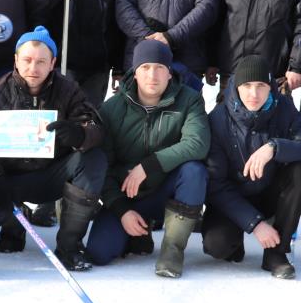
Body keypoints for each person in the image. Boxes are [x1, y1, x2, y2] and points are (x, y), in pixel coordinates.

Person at [0, 27, 105, 271]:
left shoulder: (69, 90)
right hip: (10, 179)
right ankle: (13, 223)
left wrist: (79, 134)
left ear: (53, 62)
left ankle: (69, 245)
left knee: (94, 159)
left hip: (51, 175)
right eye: (27, 60)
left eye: (41, 61)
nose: (33, 68)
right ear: (15, 59)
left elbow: (94, 127)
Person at [87, 40, 210, 278]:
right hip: (129, 195)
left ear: (169, 72)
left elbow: (198, 144)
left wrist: (148, 165)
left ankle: (172, 249)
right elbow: (103, 166)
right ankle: (138, 234)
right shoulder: (111, 109)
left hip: (168, 191)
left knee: (194, 170)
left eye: (159, 68)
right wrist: (122, 211)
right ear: (135, 73)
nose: (152, 75)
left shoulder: (190, 100)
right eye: (145, 67)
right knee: (99, 252)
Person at [202, 57, 301, 279]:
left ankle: (276, 252)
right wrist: (254, 224)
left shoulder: (283, 108)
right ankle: (236, 237)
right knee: (217, 246)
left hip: (270, 193)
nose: (254, 94)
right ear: (236, 87)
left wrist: (274, 148)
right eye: (247, 86)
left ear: (271, 87)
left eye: (261, 86)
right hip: (232, 197)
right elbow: (216, 185)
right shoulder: (218, 119)